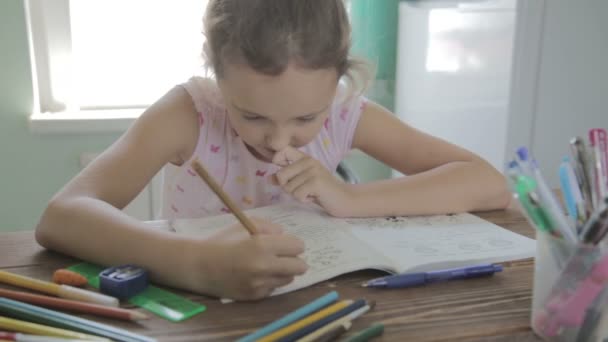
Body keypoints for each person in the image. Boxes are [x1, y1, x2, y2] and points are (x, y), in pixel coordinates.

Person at [35, 0, 511, 300]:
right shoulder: (191, 113)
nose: (279, 142)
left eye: (306, 118)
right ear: (217, 74)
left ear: (340, 78)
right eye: (253, 116)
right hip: (201, 315)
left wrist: (352, 199)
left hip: (319, 307)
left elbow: (488, 182)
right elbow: (62, 216)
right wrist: (193, 263)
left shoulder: (347, 113)